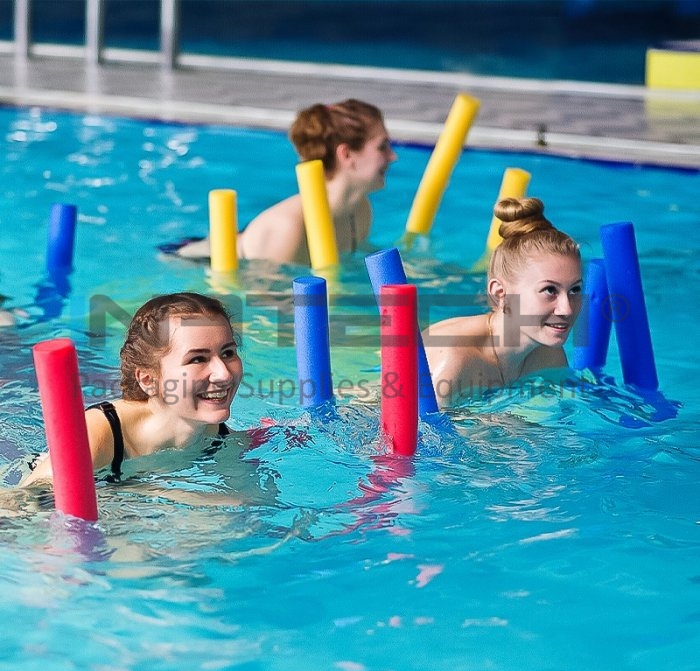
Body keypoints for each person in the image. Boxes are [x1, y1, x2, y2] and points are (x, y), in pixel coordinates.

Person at [21, 292, 243, 486]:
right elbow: (19, 506)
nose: (224, 374)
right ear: (148, 380)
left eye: (228, 353)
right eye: (197, 359)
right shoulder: (97, 435)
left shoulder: (220, 438)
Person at [174, 99, 397, 265]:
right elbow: (261, 305)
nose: (393, 156)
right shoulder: (288, 229)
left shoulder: (359, 209)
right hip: (194, 262)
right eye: (382, 146)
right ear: (346, 154)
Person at [423, 197, 583, 407]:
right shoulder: (454, 362)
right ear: (500, 293)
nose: (567, 309)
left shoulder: (548, 355)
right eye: (550, 290)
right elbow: (410, 426)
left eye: (575, 289)